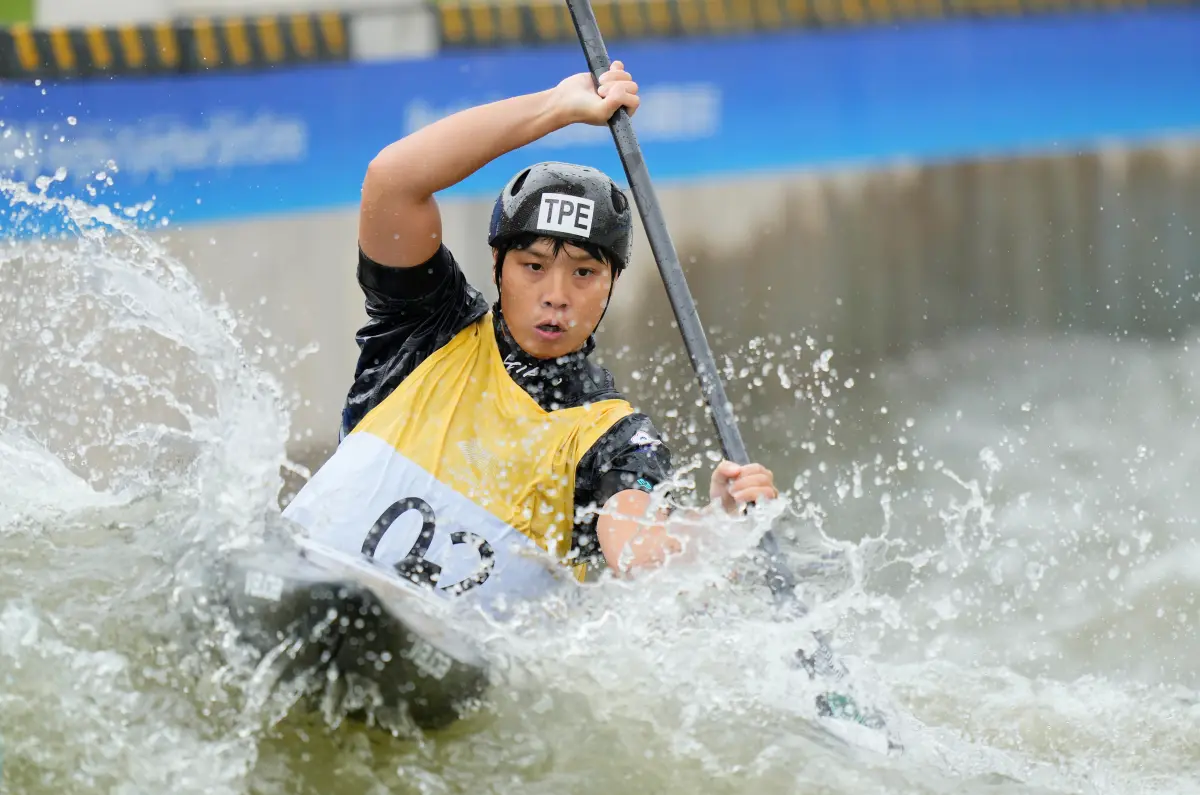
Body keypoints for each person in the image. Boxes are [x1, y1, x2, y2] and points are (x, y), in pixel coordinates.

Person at [281, 61, 779, 613]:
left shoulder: (614, 437)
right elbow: (392, 179)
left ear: (612, 282)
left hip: (441, 656)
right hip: (305, 581)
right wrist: (558, 107)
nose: (557, 294)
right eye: (533, 265)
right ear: (498, 264)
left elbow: (637, 556)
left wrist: (718, 526)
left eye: (584, 273)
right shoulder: (423, 326)